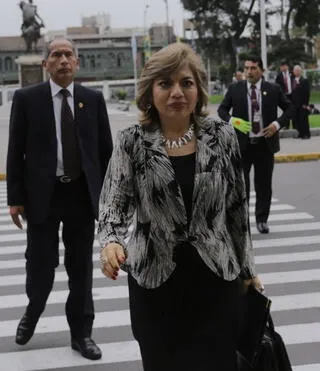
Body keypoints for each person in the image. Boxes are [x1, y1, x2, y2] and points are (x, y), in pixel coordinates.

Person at [97, 42, 263, 371]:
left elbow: (237, 212)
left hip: (216, 279)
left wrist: (248, 272)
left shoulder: (222, 136)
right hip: (155, 285)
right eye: (166, 83)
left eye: (186, 83)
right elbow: (113, 205)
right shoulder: (132, 141)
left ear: (198, 90)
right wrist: (112, 242)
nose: (177, 92)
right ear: (150, 91)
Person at [6, 38, 113, 361]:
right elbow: (15, 151)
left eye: (69, 55)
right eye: (57, 55)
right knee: (41, 266)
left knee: (80, 268)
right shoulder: (27, 99)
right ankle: (33, 310)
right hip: (43, 195)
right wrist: (15, 198)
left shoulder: (92, 100)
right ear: (46, 64)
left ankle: (82, 334)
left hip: (81, 194)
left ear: (77, 63)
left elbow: (105, 152)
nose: (63, 60)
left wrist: (109, 197)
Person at [218, 56, 294, 234]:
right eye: (247, 68)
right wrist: (232, 121)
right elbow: (221, 110)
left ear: (262, 70)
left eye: (253, 68)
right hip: (242, 146)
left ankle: (262, 220)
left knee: (264, 184)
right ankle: (242, 222)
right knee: (241, 186)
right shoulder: (235, 89)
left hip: (264, 145)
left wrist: (276, 124)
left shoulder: (273, 89)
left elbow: (289, 109)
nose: (249, 72)